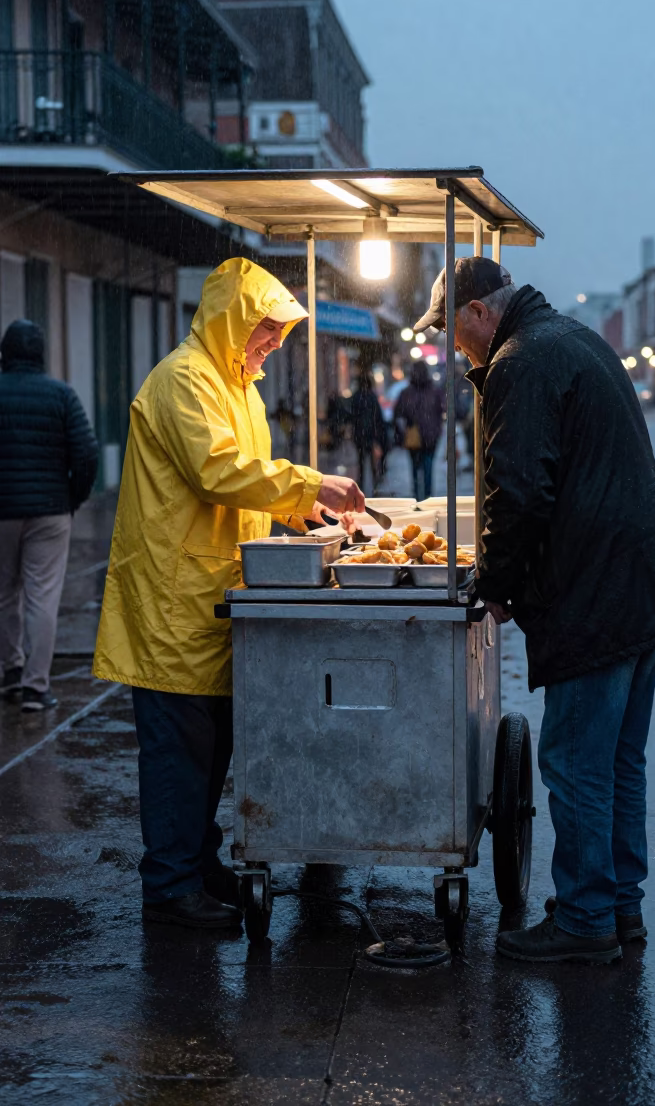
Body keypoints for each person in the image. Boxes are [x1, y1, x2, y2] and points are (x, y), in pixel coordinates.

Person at [414, 258, 655, 963]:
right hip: (638, 583)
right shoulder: (572, 338)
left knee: (575, 762)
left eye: (454, 332)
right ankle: (618, 909)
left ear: (480, 312)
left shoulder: (522, 359)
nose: (454, 349)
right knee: (615, 763)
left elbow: (517, 492)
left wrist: (494, 584)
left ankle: (583, 921)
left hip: (596, 591)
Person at [93, 258, 364, 931]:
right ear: (230, 321)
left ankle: (195, 860)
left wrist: (307, 516)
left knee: (211, 750)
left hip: (214, 599)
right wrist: (309, 487)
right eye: (265, 329)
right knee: (178, 754)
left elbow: (246, 486)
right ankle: (169, 888)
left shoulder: (237, 386)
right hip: (170, 603)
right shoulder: (186, 379)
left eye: (279, 332)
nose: (272, 342)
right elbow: (219, 470)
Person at [0, 319, 98, 711]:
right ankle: (36, 687)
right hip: (51, 512)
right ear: (41, 354)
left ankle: (10, 671)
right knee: (42, 596)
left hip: (2, 512)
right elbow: (87, 454)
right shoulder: (61, 395)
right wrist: (70, 499)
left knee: (5, 594)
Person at [393, 360, 443, 501]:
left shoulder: (406, 392)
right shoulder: (435, 391)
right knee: (428, 469)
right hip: (431, 437)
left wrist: (404, 432)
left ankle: (417, 499)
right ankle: (427, 498)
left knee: (415, 470)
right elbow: (442, 411)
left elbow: (398, 414)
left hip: (414, 437)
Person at [349, 372, 386, 493]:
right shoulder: (372, 397)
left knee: (361, 460)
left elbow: (351, 415)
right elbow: (378, 417)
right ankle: (375, 484)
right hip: (371, 433)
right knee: (373, 461)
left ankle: (361, 486)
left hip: (359, 433)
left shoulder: (356, 397)